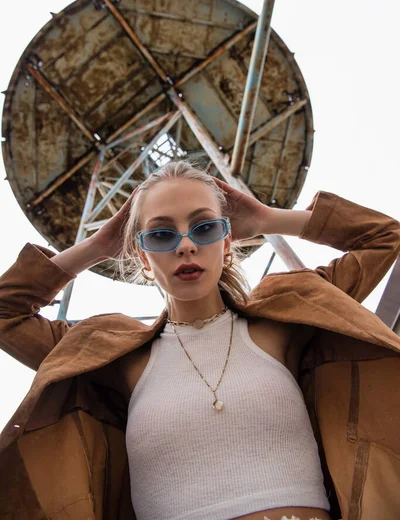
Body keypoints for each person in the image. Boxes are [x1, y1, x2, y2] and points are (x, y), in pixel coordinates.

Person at [0, 160, 399, 520]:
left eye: (205, 228)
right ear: (141, 256)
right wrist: (99, 247)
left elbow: (385, 237)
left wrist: (265, 219)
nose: (186, 245)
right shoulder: (110, 356)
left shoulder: (288, 318)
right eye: (159, 235)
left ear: (227, 243)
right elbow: (6, 313)